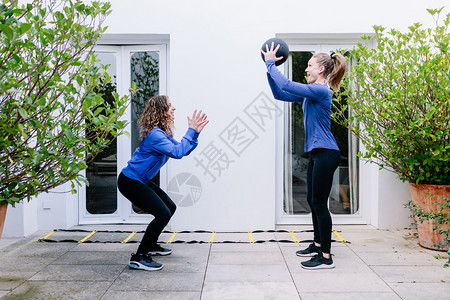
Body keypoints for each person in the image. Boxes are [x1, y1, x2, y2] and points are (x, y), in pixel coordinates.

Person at [261, 42, 346, 269]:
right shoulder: (310, 95)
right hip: (318, 153)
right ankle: (317, 244)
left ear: (321, 70)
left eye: (309, 66)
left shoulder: (320, 90)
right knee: (312, 200)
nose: (306, 69)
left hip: (327, 153)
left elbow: (286, 83)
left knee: (319, 203)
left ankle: (325, 257)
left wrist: (271, 63)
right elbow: (280, 92)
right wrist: (267, 69)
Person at [117, 95, 209, 271]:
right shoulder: (156, 135)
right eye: (170, 106)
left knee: (170, 207)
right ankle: (140, 256)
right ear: (161, 110)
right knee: (162, 214)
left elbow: (182, 150)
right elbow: (178, 152)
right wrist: (191, 131)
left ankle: (151, 245)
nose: (174, 108)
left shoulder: (163, 133)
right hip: (130, 181)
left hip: (139, 180)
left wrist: (195, 132)